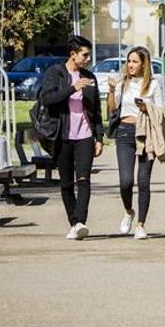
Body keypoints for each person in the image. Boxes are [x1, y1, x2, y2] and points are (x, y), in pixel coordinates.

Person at [39, 35, 104, 240]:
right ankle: (73, 223)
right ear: (72, 54)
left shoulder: (90, 77)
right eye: (84, 55)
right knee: (66, 183)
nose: (88, 59)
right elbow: (48, 99)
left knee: (83, 179)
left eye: (88, 55)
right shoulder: (55, 73)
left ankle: (80, 221)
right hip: (62, 136)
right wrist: (72, 88)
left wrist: (99, 137)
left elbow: (97, 110)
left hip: (85, 136)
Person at [107, 46, 165, 240]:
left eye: (135, 61)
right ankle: (129, 211)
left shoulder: (153, 85)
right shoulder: (123, 83)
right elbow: (112, 110)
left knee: (143, 181)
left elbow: (161, 113)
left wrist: (146, 107)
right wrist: (112, 90)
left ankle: (141, 224)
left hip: (146, 134)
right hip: (124, 132)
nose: (130, 65)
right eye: (129, 61)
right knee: (126, 181)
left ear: (144, 64)